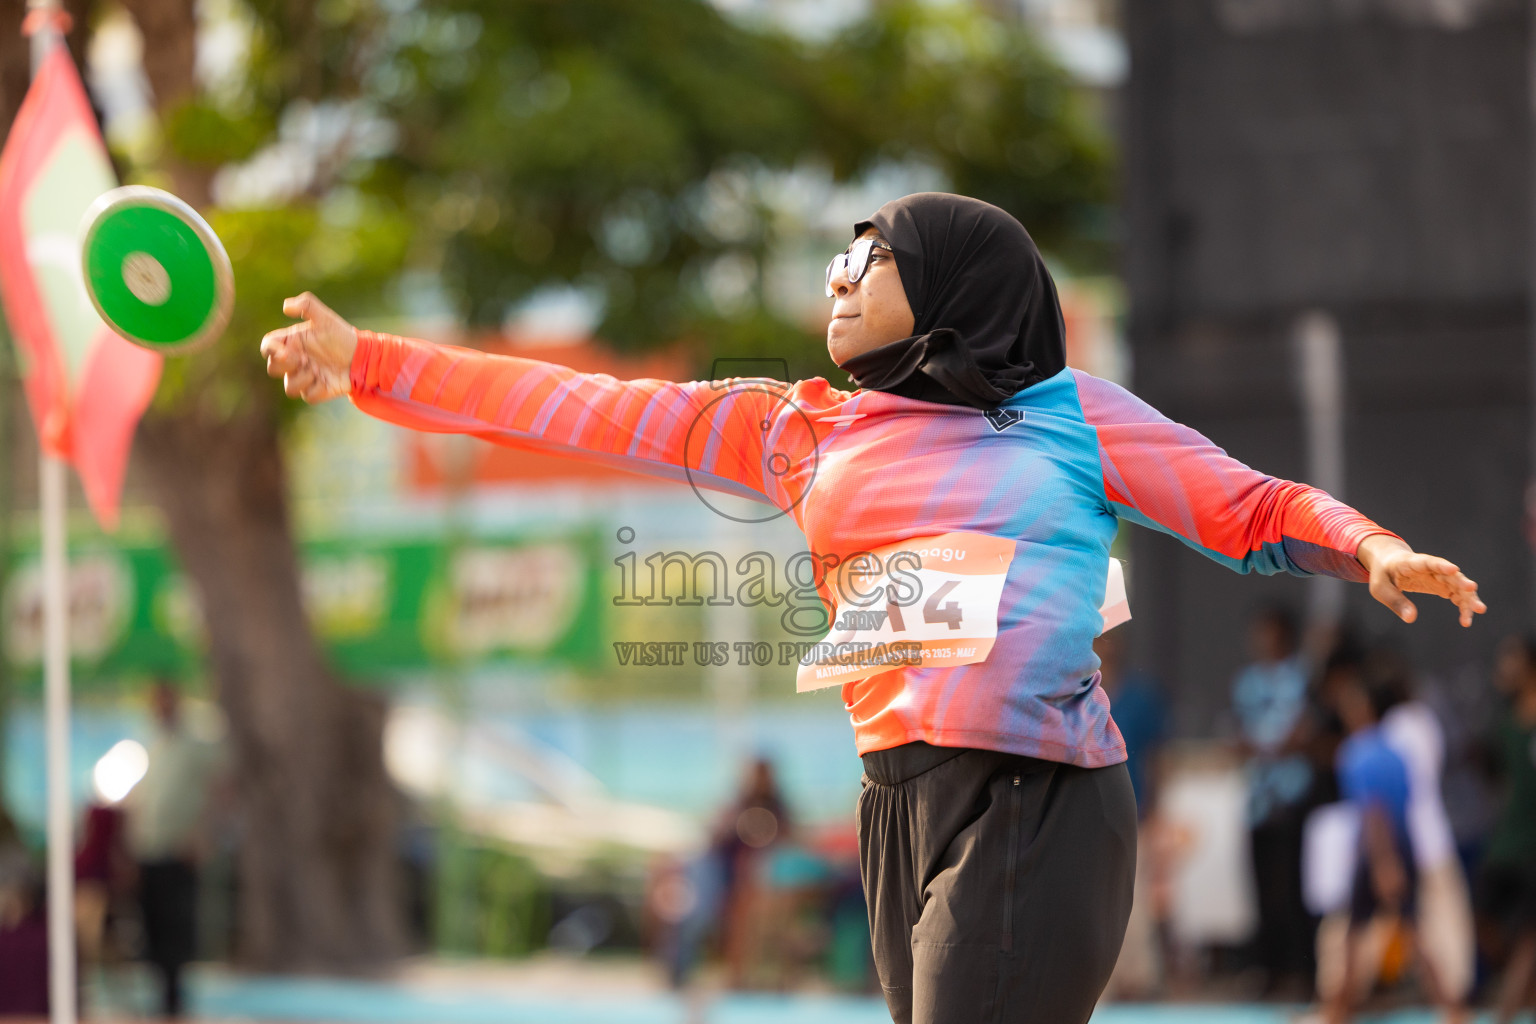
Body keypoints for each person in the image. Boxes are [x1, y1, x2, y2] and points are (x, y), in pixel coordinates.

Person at [261, 192, 1486, 1024]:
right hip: (894, 802)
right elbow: (575, 406)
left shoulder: (1071, 414)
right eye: (839, 260)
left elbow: (1246, 505)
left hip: (1037, 800)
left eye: (871, 259)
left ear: (956, 285)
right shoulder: (799, 429)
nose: (839, 279)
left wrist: (1368, 546)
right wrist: (371, 364)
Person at [1232, 605, 1317, 995]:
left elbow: (1302, 734)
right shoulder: (1247, 681)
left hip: (1293, 795)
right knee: (1262, 889)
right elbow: (1240, 737)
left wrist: (1267, 744)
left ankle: (1301, 970)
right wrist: (1270, 745)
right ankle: (1269, 969)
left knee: (1294, 887)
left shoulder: (1303, 676)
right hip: (1258, 801)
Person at [126, 682, 224, 1019]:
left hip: (178, 852)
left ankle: (174, 1000)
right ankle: (160, 998)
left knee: (177, 927)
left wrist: (204, 835)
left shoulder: (195, 746)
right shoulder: (150, 747)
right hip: (149, 851)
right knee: (151, 927)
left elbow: (220, 789)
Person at [1480, 635, 1536, 1023]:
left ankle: (1508, 1012)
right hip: (1509, 840)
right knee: (1482, 918)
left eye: (1510, 659)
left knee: (1531, 933)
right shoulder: (1504, 722)